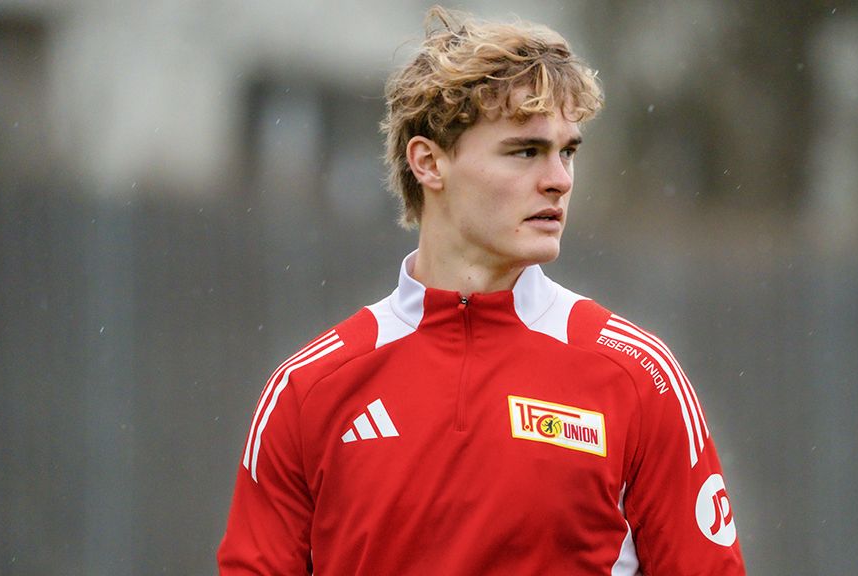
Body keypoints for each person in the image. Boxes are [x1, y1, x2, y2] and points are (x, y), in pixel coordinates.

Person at [218, 6, 745, 575]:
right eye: (525, 151)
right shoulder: (309, 391)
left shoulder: (638, 377)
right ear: (429, 163)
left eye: (567, 151)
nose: (559, 179)